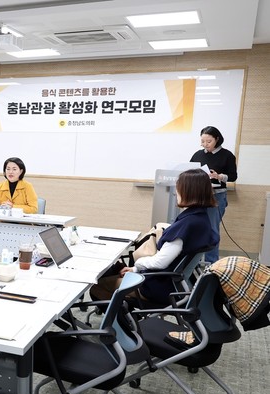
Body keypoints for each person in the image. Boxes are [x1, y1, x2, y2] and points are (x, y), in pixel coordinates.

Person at [90, 169, 218, 306]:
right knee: (116, 271)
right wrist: (135, 269)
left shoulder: (187, 224)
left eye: (179, 188)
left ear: (189, 191)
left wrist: (138, 265)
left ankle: (125, 319)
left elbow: (160, 262)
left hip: (157, 287)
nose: (176, 193)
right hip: (171, 283)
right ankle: (128, 315)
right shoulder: (200, 218)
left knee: (97, 287)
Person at [189, 126, 237, 264]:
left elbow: (233, 177)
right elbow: (189, 171)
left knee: (212, 230)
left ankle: (211, 264)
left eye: (208, 141)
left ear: (217, 139)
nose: (205, 144)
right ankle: (194, 262)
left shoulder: (227, 155)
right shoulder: (197, 154)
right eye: (202, 141)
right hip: (198, 196)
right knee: (196, 227)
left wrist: (219, 176)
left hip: (216, 196)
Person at [0, 157, 38, 264]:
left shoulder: (27, 186)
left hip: (22, 226)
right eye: (8, 169)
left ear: (21, 171)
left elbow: (33, 208)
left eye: (14, 169)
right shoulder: (0, 185)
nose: (10, 172)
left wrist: (13, 207)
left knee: (15, 258)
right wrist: (1, 206)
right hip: (2, 224)